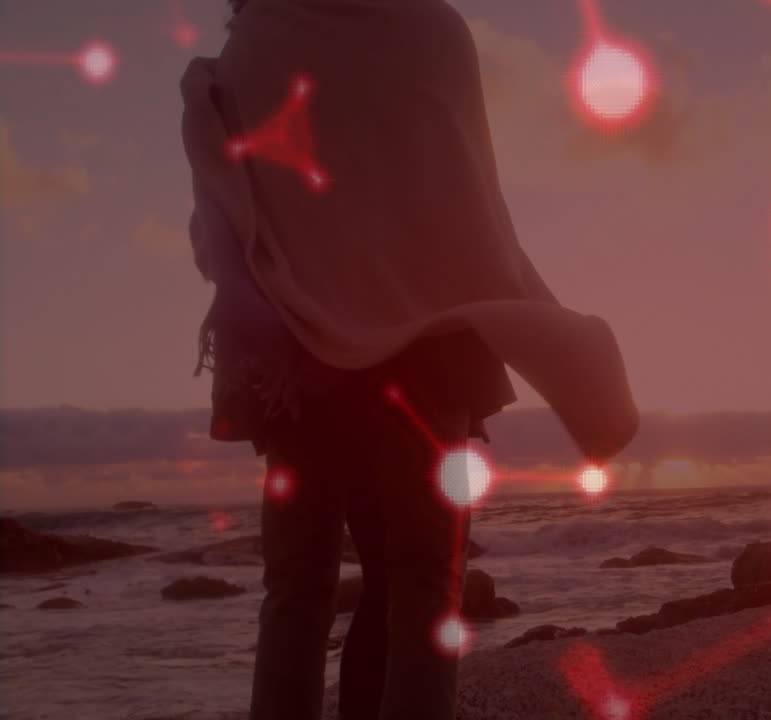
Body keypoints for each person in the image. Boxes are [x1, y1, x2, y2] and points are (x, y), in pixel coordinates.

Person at [180, 1, 639, 718]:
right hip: (427, 346)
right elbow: (469, 207)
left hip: (295, 352)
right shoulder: (435, 32)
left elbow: (227, 208)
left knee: (299, 589)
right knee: (422, 584)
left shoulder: (258, 38)